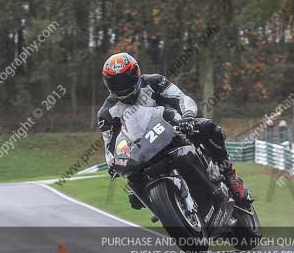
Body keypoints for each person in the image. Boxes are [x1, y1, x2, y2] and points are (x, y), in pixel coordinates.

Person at [97, 52, 247, 211]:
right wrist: (114, 164)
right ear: (108, 84)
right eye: (116, 83)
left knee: (209, 128)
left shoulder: (154, 82)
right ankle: (169, 210)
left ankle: (230, 176)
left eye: (126, 80)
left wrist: (188, 116)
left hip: (174, 130)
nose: (122, 86)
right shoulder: (106, 113)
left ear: (136, 74)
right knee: (135, 197)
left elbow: (180, 98)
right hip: (141, 151)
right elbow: (110, 145)